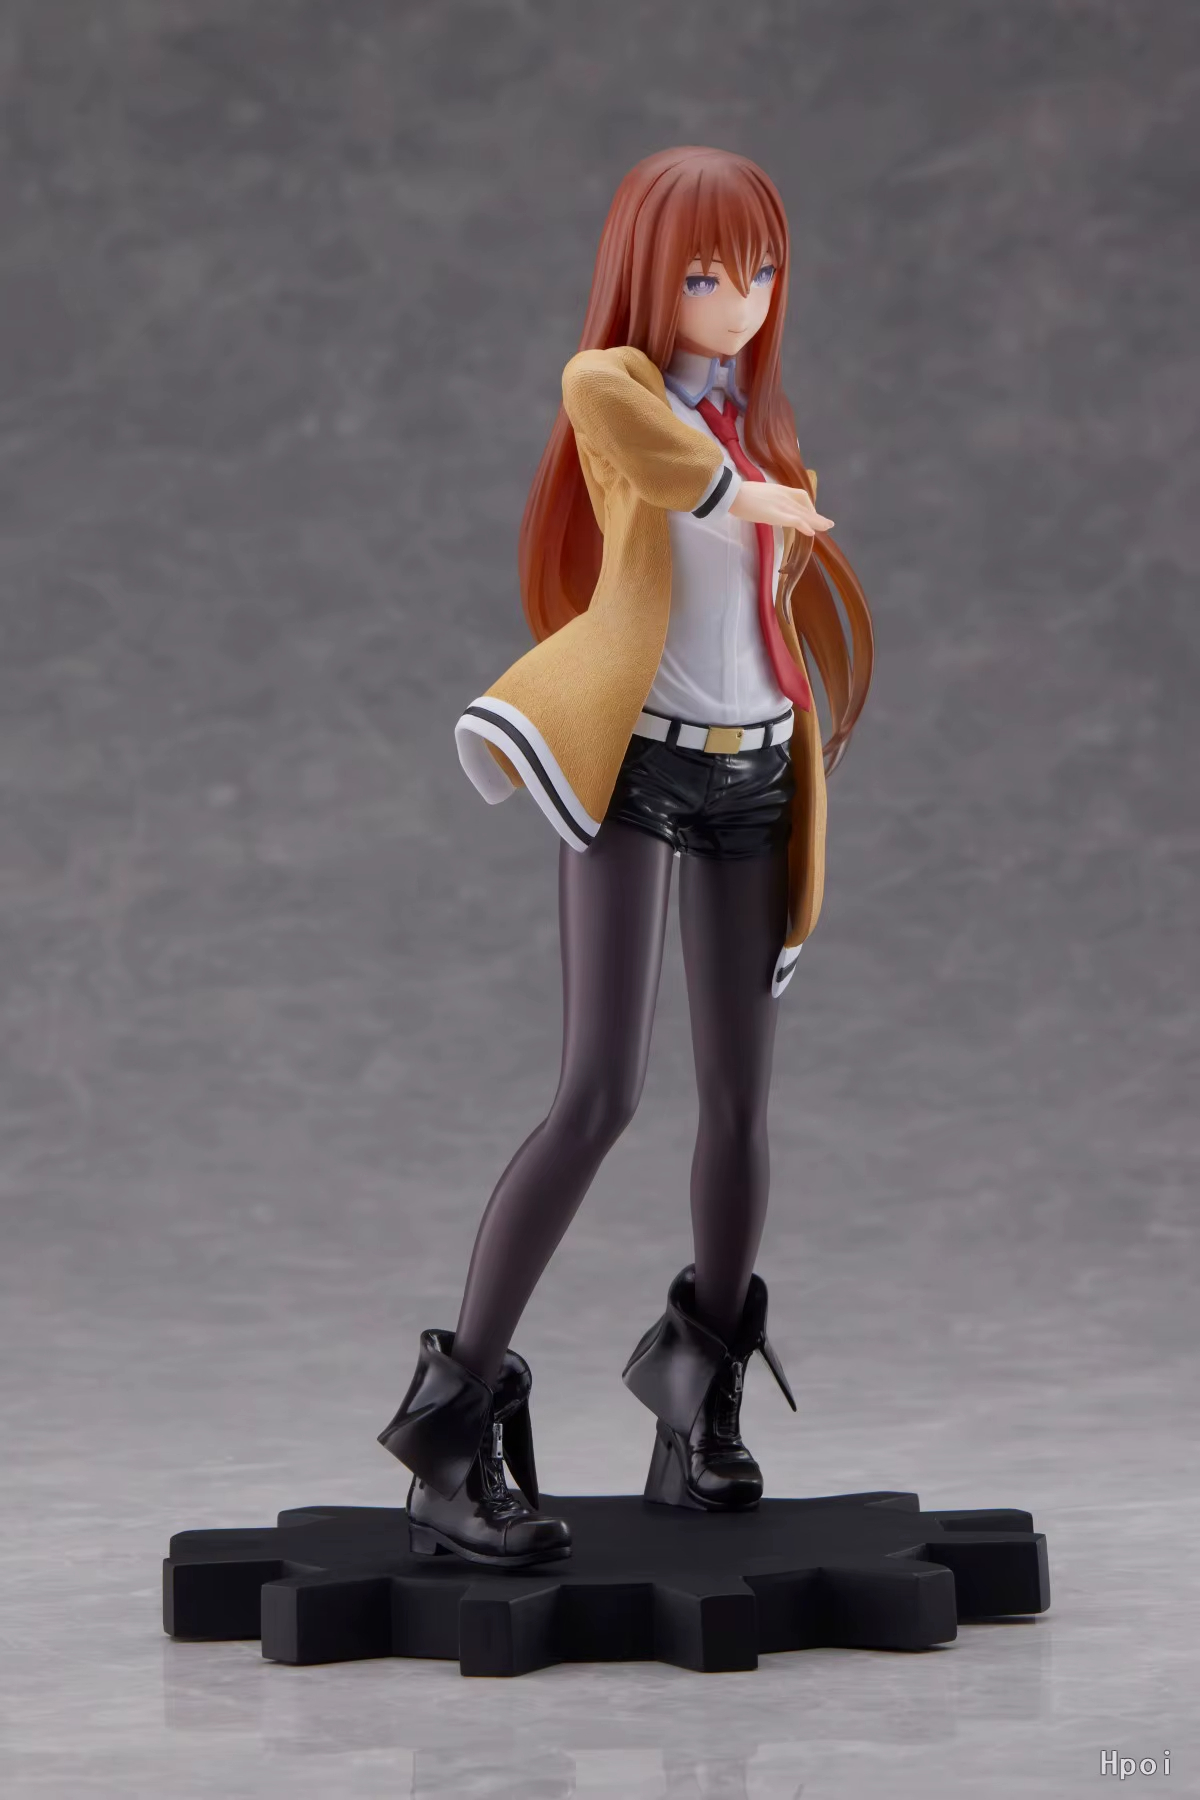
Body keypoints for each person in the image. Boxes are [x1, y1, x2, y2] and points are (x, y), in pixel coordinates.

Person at [378, 146, 874, 1568]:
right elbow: (651, 450)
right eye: (708, 273)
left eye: (759, 270)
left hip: (754, 769)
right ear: (652, 276)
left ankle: (698, 1397)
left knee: (741, 1105)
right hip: (637, 764)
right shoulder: (617, 392)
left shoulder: (763, 430)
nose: (739, 299)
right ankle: (450, 1435)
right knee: (599, 1090)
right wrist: (750, 501)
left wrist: (769, 502)